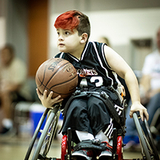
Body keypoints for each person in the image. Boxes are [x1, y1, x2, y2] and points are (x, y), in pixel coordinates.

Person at [36, 10, 148, 160]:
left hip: (106, 100)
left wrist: (136, 102)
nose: (60, 38)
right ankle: (85, 143)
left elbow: (128, 72)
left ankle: (105, 142)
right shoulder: (59, 61)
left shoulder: (101, 51)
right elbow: (49, 88)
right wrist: (46, 102)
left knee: (95, 101)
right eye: (58, 33)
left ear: (83, 37)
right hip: (77, 102)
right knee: (76, 103)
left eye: (66, 33)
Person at [124, 26, 160, 150]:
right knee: (136, 95)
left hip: (158, 93)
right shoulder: (151, 58)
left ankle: (143, 134)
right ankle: (128, 135)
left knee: (156, 99)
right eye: (158, 35)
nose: (159, 38)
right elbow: (146, 77)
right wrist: (144, 91)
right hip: (150, 91)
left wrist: (154, 92)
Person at [0, 44, 30, 135]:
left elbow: (17, 86)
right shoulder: (2, 66)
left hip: (21, 94)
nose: (3, 57)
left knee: (5, 94)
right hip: (5, 92)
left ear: (12, 54)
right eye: (2, 54)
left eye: (6, 54)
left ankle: (8, 125)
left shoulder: (18, 65)